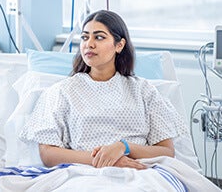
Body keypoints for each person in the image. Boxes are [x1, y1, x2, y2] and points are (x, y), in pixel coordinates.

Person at [19, 10, 184, 169]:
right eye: (85, 37)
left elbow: (166, 151)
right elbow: (48, 154)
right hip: (82, 172)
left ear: (119, 45)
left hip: (140, 170)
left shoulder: (143, 91)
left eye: (99, 37)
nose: (89, 44)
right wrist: (106, 161)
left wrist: (124, 147)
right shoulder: (62, 91)